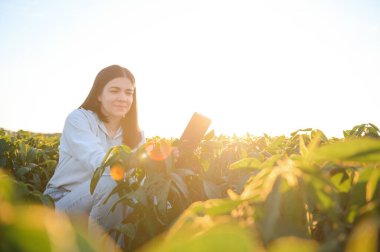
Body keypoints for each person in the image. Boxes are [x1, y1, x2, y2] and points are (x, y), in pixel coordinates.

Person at [44, 65, 145, 248]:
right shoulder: (79, 119)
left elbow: (141, 177)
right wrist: (136, 163)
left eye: (128, 92)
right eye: (115, 91)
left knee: (135, 193)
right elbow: (99, 161)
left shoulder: (136, 133)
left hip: (105, 204)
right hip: (63, 201)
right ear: (99, 94)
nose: (123, 98)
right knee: (113, 179)